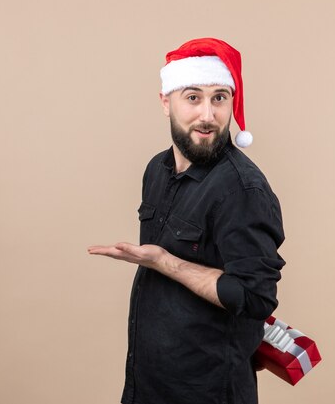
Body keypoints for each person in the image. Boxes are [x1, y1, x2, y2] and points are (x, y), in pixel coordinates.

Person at [88, 38, 285, 404]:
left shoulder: (242, 190)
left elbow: (255, 296)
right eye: (193, 98)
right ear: (166, 102)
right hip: (147, 383)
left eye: (220, 98)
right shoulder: (157, 170)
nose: (207, 115)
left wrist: (163, 262)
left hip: (208, 391)